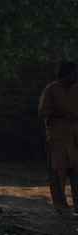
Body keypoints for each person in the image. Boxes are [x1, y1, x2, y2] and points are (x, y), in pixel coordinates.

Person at [38, 60, 78, 215]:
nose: (75, 76)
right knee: (57, 174)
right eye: (73, 73)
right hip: (57, 139)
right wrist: (63, 114)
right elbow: (43, 111)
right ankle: (60, 207)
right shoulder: (51, 89)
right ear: (65, 74)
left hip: (75, 138)